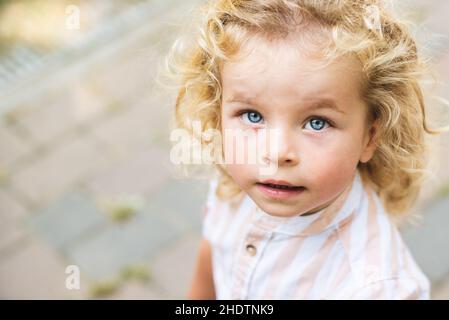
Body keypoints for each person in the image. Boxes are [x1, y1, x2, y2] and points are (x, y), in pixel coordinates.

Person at [166, 0, 447, 299]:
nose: (277, 153)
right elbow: (212, 256)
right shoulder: (234, 187)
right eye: (252, 116)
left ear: (370, 136)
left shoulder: (372, 287)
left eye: (316, 122)